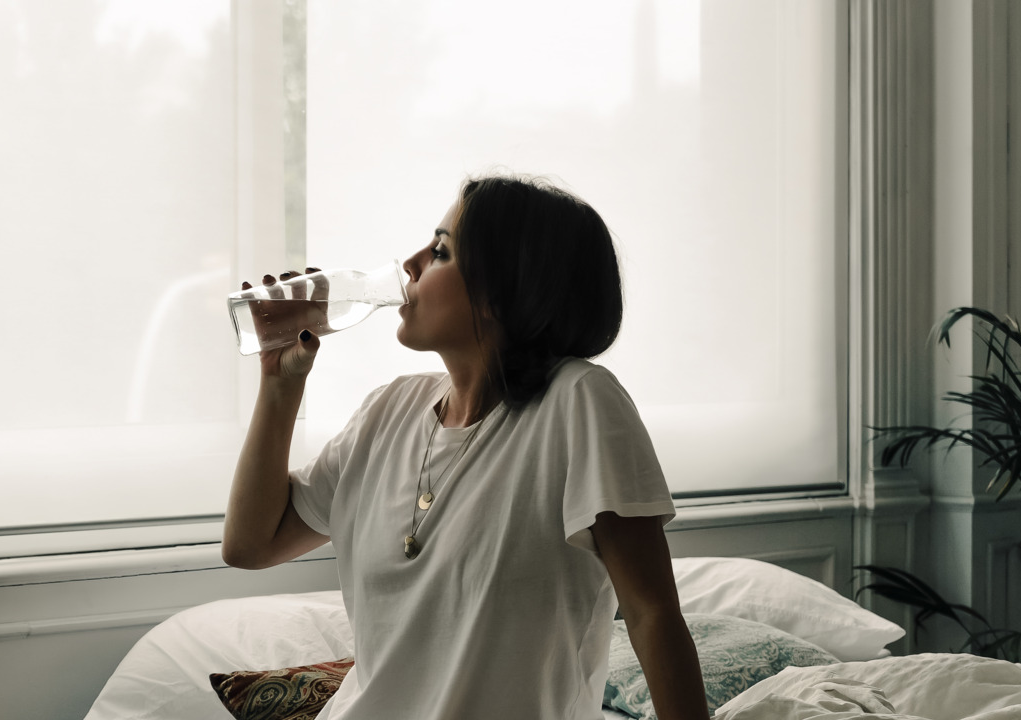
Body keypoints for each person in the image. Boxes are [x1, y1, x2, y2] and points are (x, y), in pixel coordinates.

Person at [222, 174, 707, 719]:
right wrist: (281, 384)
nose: (410, 263)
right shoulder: (389, 411)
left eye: (442, 251)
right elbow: (249, 545)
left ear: (504, 291)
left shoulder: (579, 402)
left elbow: (652, 614)